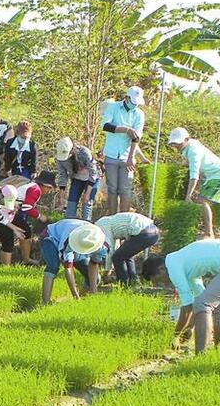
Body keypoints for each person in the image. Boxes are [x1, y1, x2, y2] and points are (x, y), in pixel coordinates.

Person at [142, 239, 220, 354]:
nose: (160, 284)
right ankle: (219, 351)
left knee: (203, 304)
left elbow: (188, 306)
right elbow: (200, 295)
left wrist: (176, 335)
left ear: (161, 269)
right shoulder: (185, 263)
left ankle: (200, 355)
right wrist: (189, 327)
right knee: (219, 307)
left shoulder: (172, 267)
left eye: (157, 280)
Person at [168, 127, 220, 238]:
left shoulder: (193, 151)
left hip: (219, 176)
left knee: (203, 201)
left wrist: (188, 196)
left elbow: (194, 175)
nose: (176, 146)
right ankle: (205, 230)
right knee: (200, 200)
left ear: (186, 139)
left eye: (178, 143)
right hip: (213, 175)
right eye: (174, 143)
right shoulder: (190, 146)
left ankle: (209, 233)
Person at [100, 86, 145, 214]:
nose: (134, 105)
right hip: (111, 154)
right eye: (133, 102)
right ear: (126, 98)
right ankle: (113, 219)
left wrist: (131, 157)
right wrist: (125, 129)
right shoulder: (113, 107)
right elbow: (105, 125)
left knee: (125, 189)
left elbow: (136, 138)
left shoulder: (139, 114)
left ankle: (123, 220)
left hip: (126, 157)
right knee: (112, 189)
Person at [40, 219, 107, 304]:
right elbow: (68, 269)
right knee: (53, 266)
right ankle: (45, 302)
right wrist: (75, 296)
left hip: (77, 243)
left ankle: (84, 298)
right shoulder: (68, 241)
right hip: (51, 237)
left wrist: (94, 291)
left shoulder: (99, 242)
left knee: (96, 278)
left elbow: (93, 264)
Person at [95, 212, 160, 286]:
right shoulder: (110, 223)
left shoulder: (101, 225)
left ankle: (123, 284)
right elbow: (116, 248)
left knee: (117, 257)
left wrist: (107, 272)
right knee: (125, 255)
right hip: (154, 232)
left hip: (143, 232)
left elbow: (110, 250)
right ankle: (132, 282)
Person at [54, 136, 100, 220]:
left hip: (91, 180)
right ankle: (69, 225)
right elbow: (62, 175)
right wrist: (61, 194)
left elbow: (93, 172)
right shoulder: (60, 158)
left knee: (86, 204)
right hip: (77, 179)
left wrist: (88, 193)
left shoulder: (84, 152)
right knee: (71, 205)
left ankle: (86, 224)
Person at [0, 184, 23, 266]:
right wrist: (14, 227)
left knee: (9, 242)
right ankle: (5, 267)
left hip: (7, 219)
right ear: (1, 196)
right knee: (7, 242)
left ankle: (5, 266)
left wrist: (15, 207)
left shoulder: (12, 195)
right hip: (0, 221)